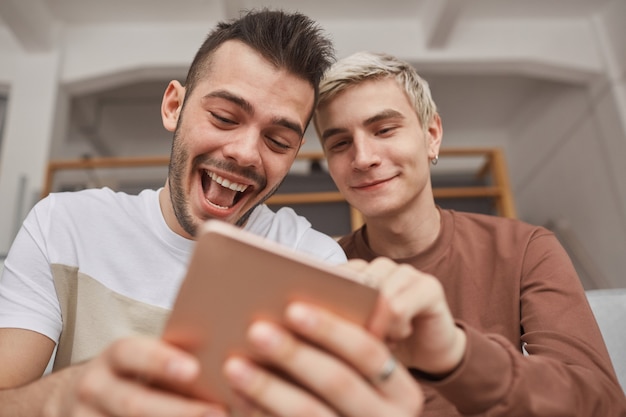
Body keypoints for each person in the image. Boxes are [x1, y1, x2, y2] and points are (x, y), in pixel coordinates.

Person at [0, 11, 423, 417]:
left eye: (277, 141)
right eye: (224, 118)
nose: (244, 152)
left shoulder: (313, 261)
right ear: (173, 107)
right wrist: (60, 398)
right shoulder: (63, 226)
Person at [312, 51, 626, 416]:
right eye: (339, 143)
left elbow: (603, 405)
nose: (363, 157)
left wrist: (457, 353)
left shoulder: (525, 249)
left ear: (431, 135)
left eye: (384, 130)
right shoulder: (326, 269)